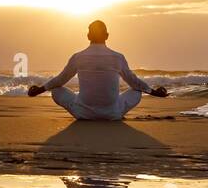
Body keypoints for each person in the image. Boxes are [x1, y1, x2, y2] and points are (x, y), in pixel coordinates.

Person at [27, 20, 168, 120]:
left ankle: (88, 111)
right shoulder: (118, 57)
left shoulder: (78, 57)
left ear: (88, 36)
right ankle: (113, 112)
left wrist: (40, 90)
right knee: (137, 91)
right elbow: (134, 82)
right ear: (107, 36)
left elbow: (60, 80)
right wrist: (153, 92)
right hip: (113, 113)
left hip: (83, 113)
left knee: (56, 89)